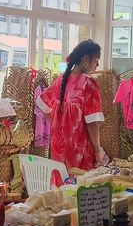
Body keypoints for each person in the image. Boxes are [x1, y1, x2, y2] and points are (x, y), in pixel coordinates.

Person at [36, 39, 106, 170]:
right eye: (96, 61)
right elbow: (92, 122)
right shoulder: (89, 83)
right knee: (79, 185)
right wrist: (97, 149)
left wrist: (58, 124)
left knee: (60, 183)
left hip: (58, 146)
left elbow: (41, 102)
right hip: (79, 148)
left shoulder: (61, 79)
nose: (97, 65)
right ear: (86, 59)